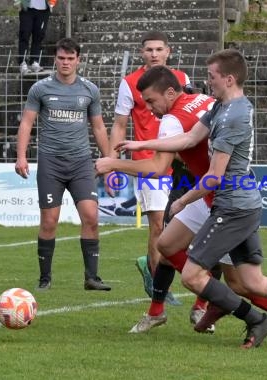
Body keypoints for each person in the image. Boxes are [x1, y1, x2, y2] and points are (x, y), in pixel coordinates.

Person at [104, 49, 267, 349]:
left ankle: (254, 318)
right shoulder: (220, 106)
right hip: (238, 202)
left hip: (231, 204)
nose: (206, 83)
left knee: (193, 275)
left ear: (229, 78)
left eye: (212, 77)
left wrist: (182, 201)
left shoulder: (233, 116)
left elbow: (214, 176)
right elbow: (189, 140)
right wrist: (140, 142)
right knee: (251, 281)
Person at [15, 37, 111, 291]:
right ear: (55, 59)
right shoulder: (40, 88)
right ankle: (45, 278)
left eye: (70, 58)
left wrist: (109, 160)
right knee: (49, 220)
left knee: (91, 216)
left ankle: (92, 278)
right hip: (51, 163)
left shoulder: (90, 90)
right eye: (61, 58)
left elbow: (99, 127)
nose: (65, 63)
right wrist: (21, 156)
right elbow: (27, 123)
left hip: (81, 163)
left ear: (78, 60)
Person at [104, 31, 190, 304]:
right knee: (158, 225)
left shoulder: (183, 80)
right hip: (149, 164)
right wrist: (111, 164)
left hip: (180, 164)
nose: (154, 54)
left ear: (169, 51)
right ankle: (158, 287)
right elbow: (119, 125)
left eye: (159, 49)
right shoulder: (129, 84)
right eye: (149, 49)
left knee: (182, 226)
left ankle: (153, 268)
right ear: (142, 53)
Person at [16, 0, 56, 75]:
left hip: (44, 9)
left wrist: (52, 3)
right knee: (24, 34)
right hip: (27, 8)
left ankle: (34, 61)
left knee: (39, 36)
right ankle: (22, 62)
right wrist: (18, 3)